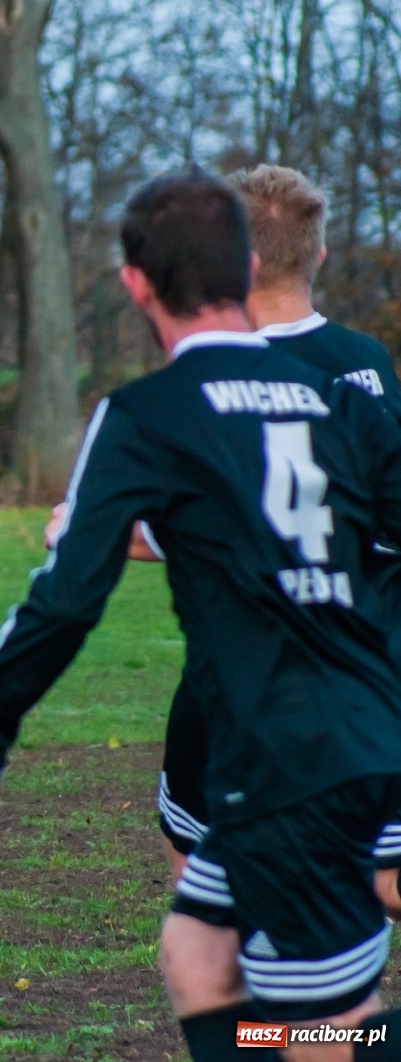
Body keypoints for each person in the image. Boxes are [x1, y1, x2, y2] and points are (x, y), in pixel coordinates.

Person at [0, 169, 401, 1061]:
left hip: (296, 760)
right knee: (197, 956)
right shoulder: (342, 396)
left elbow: (67, 598)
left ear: (136, 285)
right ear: (248, 269)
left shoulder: (146, 413)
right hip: (331, 731)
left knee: (329, 1028)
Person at [45, 165, 401, 916]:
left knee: (204, 865)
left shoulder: (215, 377)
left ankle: (263, 1029)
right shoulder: (366, 363)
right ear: (322, 254)